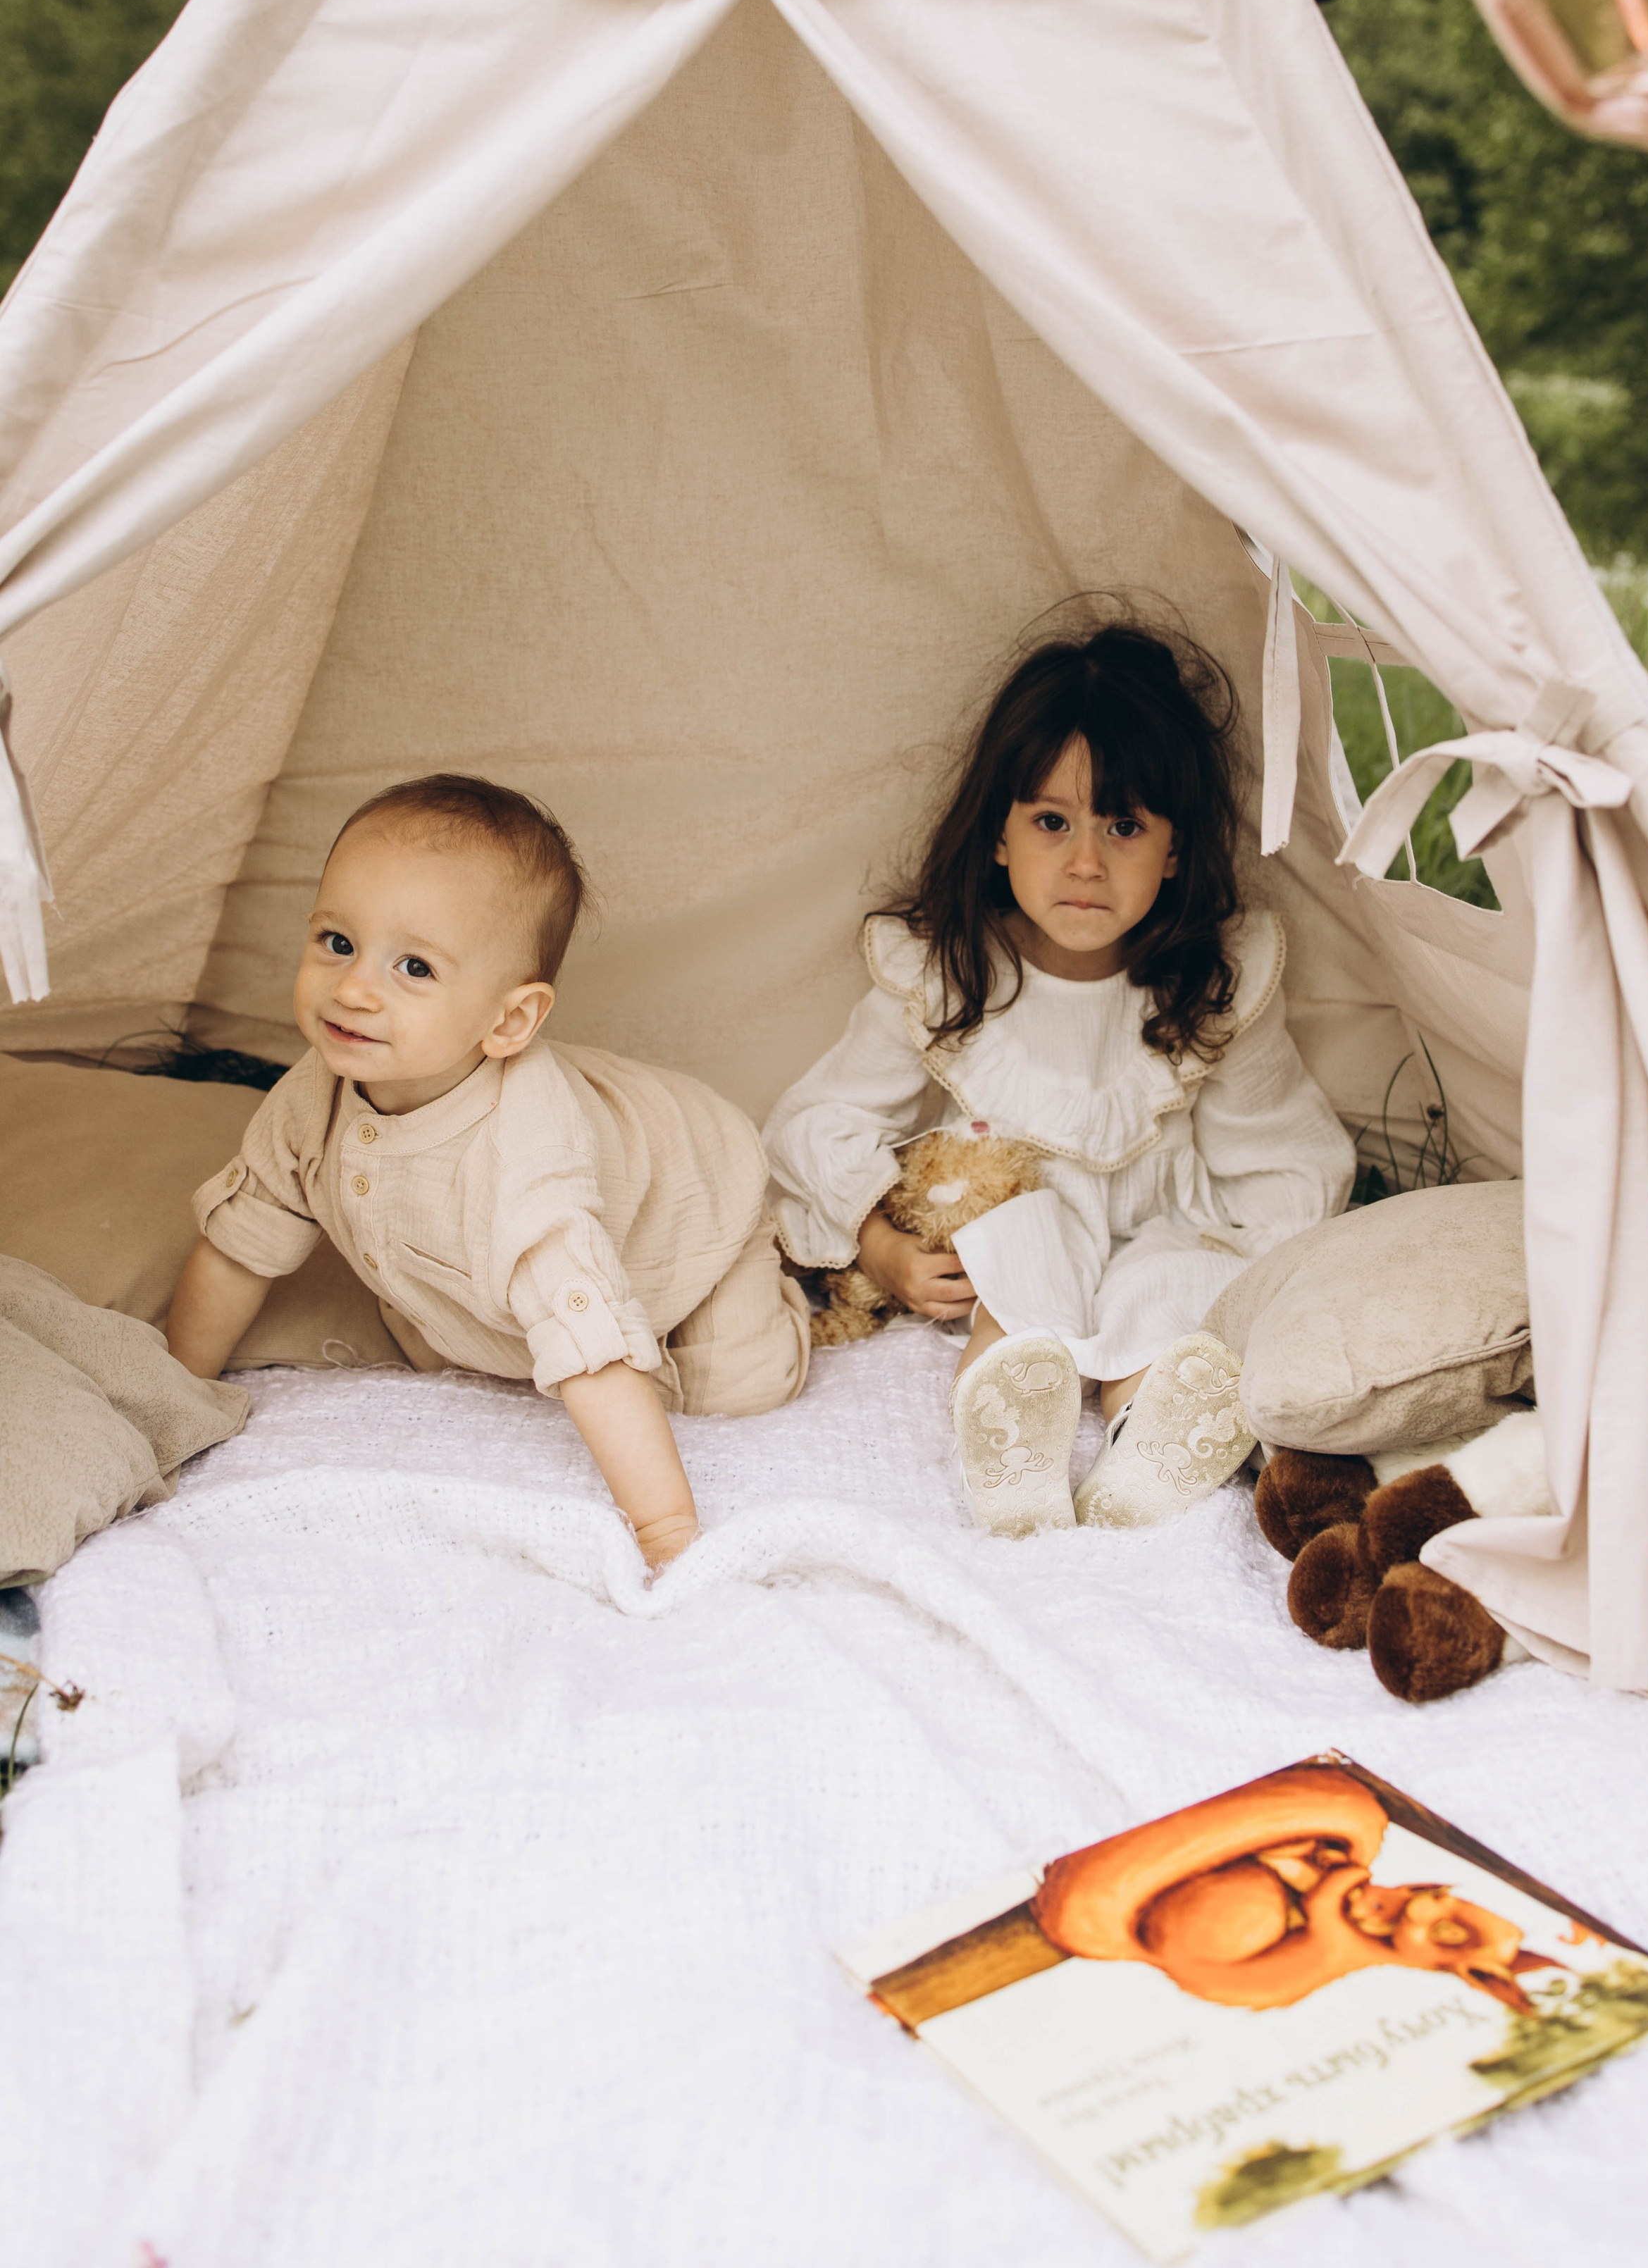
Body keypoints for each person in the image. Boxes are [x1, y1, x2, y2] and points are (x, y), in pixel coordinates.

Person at [764, 621, 1354, 1535]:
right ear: (999, 836)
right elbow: (818, 1121)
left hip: (1166, 1222)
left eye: (1124, 826)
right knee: (1016, 1255)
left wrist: (1255, 1269)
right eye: (1052, 822)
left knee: (1171, 1289)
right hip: (1026, 1213)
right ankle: (1016, 1449)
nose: (1086, 863)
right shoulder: (947, 972)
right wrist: (880, 1246)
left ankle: (1149, 1446)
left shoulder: (1214, 980)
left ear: (1176, 851)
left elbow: (1278, 1150)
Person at [166, 774, 807, 1568]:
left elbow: (595, 1360)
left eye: (415, 969)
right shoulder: (315, 1091)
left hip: (692, 1207)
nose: (354, 988)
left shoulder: (529, 1166)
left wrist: (665, 1533)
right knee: (446, 1336)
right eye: (338, 943)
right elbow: (241, 1245)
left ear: (508, 1021)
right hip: (499, 1250)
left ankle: (791, 1273)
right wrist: (171, 1397)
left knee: (738, 1389)